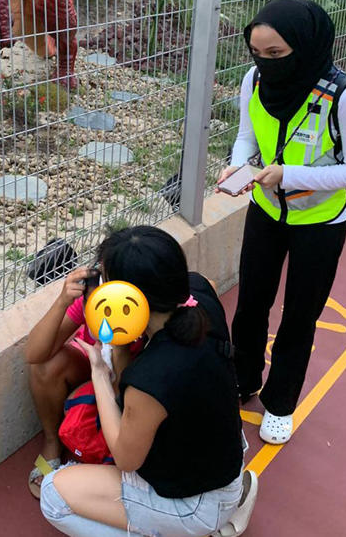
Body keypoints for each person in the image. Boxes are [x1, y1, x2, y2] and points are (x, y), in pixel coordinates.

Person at [217, 0, 346, 444]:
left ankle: (281, 402)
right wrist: (238, 166)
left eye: (276, 55)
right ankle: (242, 379)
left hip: (320, 223)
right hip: (265, 211)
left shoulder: (345, 96)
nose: (264, 65)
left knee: (300, 316)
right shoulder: (254, 80)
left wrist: (289, 175)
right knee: (250, 305)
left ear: (305, 47)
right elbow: (246, 136)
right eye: (257, 54)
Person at [39, 226, 256, 537]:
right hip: (223, 471)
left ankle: (190, 527)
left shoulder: (152, 375)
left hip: (195, 503)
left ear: (126, 299)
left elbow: (126, 458)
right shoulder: (201, 297)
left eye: (106, 283)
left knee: (54, 494)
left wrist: (100, 372)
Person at [24, 238, 145, 498]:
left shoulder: (145, 309)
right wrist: (62, 302)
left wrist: (120, 345)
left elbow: (125, 390)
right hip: (97, 369)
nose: (102, 286)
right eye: (100, 274)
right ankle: (52, 441)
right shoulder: (94, 300)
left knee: (124, 410)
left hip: (137, 383)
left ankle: (109, 457)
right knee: (46, 366)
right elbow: (34, 354)